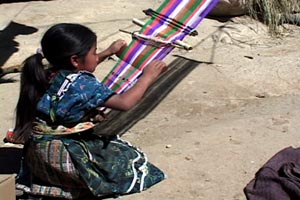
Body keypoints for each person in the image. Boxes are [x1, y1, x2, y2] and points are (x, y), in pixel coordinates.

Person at [13, 23, 167, 199]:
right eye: (94, 52)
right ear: (75, 60)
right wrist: (148, 77)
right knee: (126, 161)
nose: (96, 56)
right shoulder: (84, 85)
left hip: (37, 152)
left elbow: (81, 66)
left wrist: (107, 52)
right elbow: (125, 102)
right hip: (62, 158)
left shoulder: (47, 73)